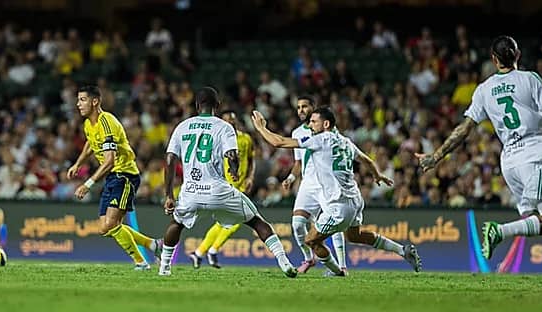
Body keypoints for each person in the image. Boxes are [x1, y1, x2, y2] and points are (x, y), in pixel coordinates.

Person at [416, 35, 542, 294]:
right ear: (517, 56)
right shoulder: (529, 79)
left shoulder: (484, 89)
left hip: (510, 162)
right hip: (535, 155)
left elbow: (464, 129)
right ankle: (499, 231)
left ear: (494, 60)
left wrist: (436, 156)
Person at [252, 107, 422, 275]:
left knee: (311, 240)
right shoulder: (345, 141)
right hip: (355, 200)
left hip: (339, 205)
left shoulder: (321, 139)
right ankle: (403, 250)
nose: (310, 126)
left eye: (313, 122)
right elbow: (367, 160)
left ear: (326, 124)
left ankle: (337, 272)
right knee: (355, 236)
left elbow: (279, 142)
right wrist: (377, 175)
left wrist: (261, 128)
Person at [158, 87, 297, 278]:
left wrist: (168, 195)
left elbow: (170, 160)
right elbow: (232, 154)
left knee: (176, 224)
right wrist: (233, 168)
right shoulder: (224, 127)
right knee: (256, 221)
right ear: (217, 105)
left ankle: (164, 268)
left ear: (197, 105)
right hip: (218, 191)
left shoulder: (182, 126)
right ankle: (285, 262)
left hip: (191, 191)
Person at [68, 85, 161, 270]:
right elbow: (91, 143)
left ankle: (141, 263)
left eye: (82, 100)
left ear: (95, 101)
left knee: (111, 224)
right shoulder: (89, 124)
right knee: (105, 228)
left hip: (124, 174)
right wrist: (78, 163)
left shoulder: (106, 122)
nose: (78, 104)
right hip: (112, 177)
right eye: (78, 100)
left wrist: (87, 184)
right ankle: (154, 245)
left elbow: (109, 161)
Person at [283, 95, 347, 274]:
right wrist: (290, 178)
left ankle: (341, 265)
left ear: (314, 107)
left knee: (334, 223)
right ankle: (309, 258)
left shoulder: (330, 132)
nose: (301, 110)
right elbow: (298, 163)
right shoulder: (297, 133)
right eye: (298, 107)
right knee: (297, 224)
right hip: (308, 184)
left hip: (327, 184)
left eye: (305, 106)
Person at [189, 110, 256, 268]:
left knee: (224, 222)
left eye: (232, 119)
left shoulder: (246, 138)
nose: (231, 122)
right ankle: (211, 250)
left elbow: (252, 160)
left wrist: (251, 177)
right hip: (226, 185)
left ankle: (199, 253)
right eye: (227, 120)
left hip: (242, 185)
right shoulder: (218, 139)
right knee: (240, 218)